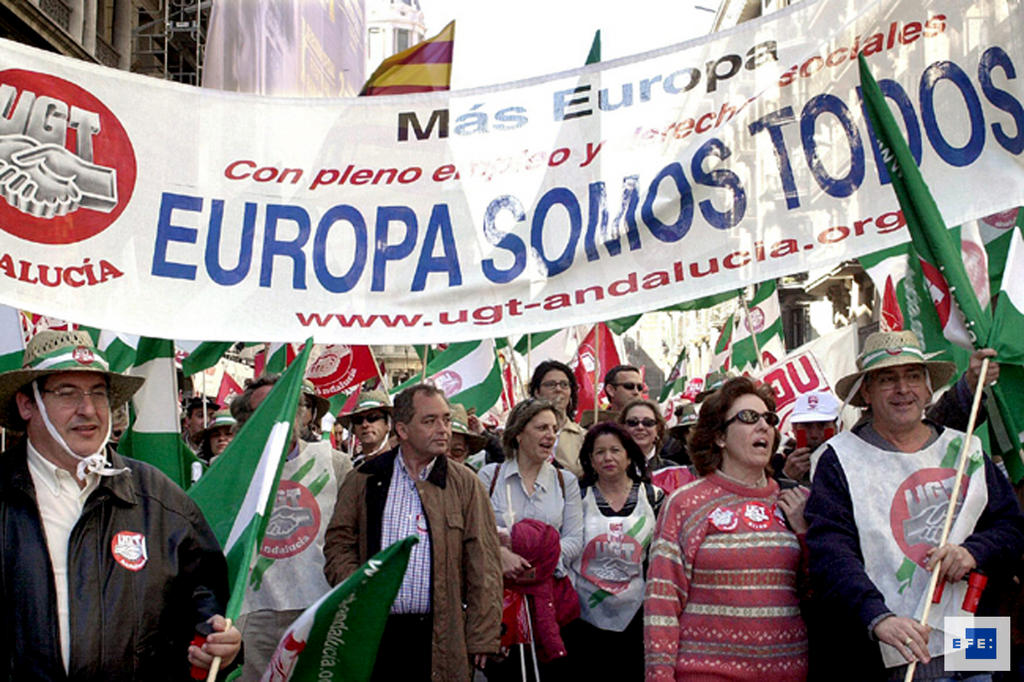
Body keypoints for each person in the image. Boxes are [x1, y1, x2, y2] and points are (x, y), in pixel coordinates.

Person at [0, 330, 241, 680]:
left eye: (98, 393)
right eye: (67, 393)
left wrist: (221, 647)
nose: (89, 409)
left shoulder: (158, 498)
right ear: (27, 405)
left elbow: (207, 606)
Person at [805, 331, 1024, 680]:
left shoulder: (965, 448)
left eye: (912, 377)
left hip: (977, 638)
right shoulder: (838, 459)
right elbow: (831, 553)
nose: (902, 389)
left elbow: (1012, 528)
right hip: (892, 649)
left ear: (927, 390)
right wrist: (877, 617)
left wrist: (973, 552)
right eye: (887, 379)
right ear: (866, 392)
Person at [323, 384, 503, 682]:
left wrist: (483, 635)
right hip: (376, 630)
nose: (443, 429)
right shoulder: (364, 479)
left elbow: (484, 562)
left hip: (441, 634)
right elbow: (338, 544)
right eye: (430, 421)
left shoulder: (466, 485)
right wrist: (358, 588)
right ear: (403, 430)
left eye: (445, 419)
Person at [645, 376, 809, 681]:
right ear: (720, 436)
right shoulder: (685, 503)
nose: (763, 426)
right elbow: (662, 603)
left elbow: (818, 591)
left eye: (769, 418)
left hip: (788, 673)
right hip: (707, 673)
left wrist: (803, 533)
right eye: (749, 418)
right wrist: (659, 675)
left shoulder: (796, 502)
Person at [230, 376, 352, 682]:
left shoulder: (336, 464)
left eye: (283, 407)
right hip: (254, 611)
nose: (275, 417)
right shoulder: (230, 469)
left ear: (301, 414)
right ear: (247, 419)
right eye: (263, 410)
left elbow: (349, 538)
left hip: (319, 604)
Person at [478, 399, 585, 679]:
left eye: (553, 428)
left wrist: (537, 566)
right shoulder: (490, 477)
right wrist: (501, 557)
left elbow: (575, 538)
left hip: (551, 603)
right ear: (518, 434)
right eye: (541, 428)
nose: (550, 435)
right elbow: (477, 534)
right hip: (500, 604)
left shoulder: (566, 481)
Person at [568, 422, 662, 680]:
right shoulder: (576, 497)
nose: (608, 457)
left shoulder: (654, 497)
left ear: (628, 455)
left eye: (615, 450)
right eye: (600, 452)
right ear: (590, 459)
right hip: (583, 615)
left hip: (638, 614)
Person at [771, 390, 841, 485]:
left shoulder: (851, 461)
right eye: (806, 425)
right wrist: (786, 477)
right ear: (794, 428)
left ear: (836, 427)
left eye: (822, 425)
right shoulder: (775, 465)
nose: (814, 434)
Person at [529, 360, 585, 477]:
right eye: (551, 384)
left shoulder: (583, 437)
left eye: (564, 385)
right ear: (537, 392)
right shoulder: (524, 432)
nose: (558, 389)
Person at [336, 389, 392, 467]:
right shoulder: (348, 469)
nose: (365, 425)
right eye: (358, 420)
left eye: (372, 418)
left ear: (388, 424)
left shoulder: (403, 465)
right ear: (353, 429)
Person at [619, 398, 671, 471]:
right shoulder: (609, 471)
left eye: (648, 422)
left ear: (658, 428)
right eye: (632, 422)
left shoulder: (672, 470)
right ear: (623, 427)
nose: (640, 427)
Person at [449, 402, 487, 467]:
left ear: (466, 453)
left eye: (457, 451)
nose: (447, 457)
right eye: (440, 450)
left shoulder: (471, 476)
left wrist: (483, 432)